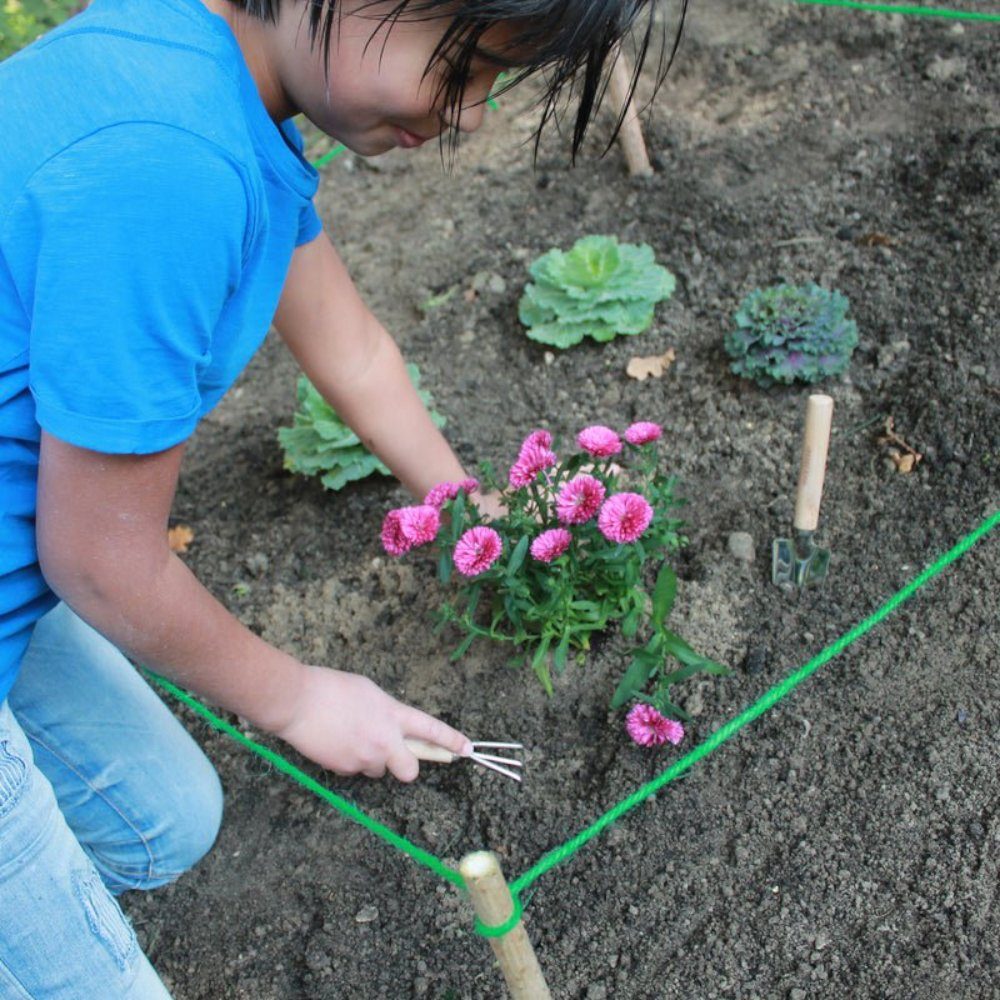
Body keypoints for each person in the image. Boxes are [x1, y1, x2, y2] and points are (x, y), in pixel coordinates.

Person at [0, 0, 681, 994]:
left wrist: (469, 508)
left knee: (164, 825)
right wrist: (300, 695)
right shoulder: (170, 167)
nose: (471, 114)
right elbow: (102, 561)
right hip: (62, 558)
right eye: (463, 68)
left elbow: (352, 349)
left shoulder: (207, 71)